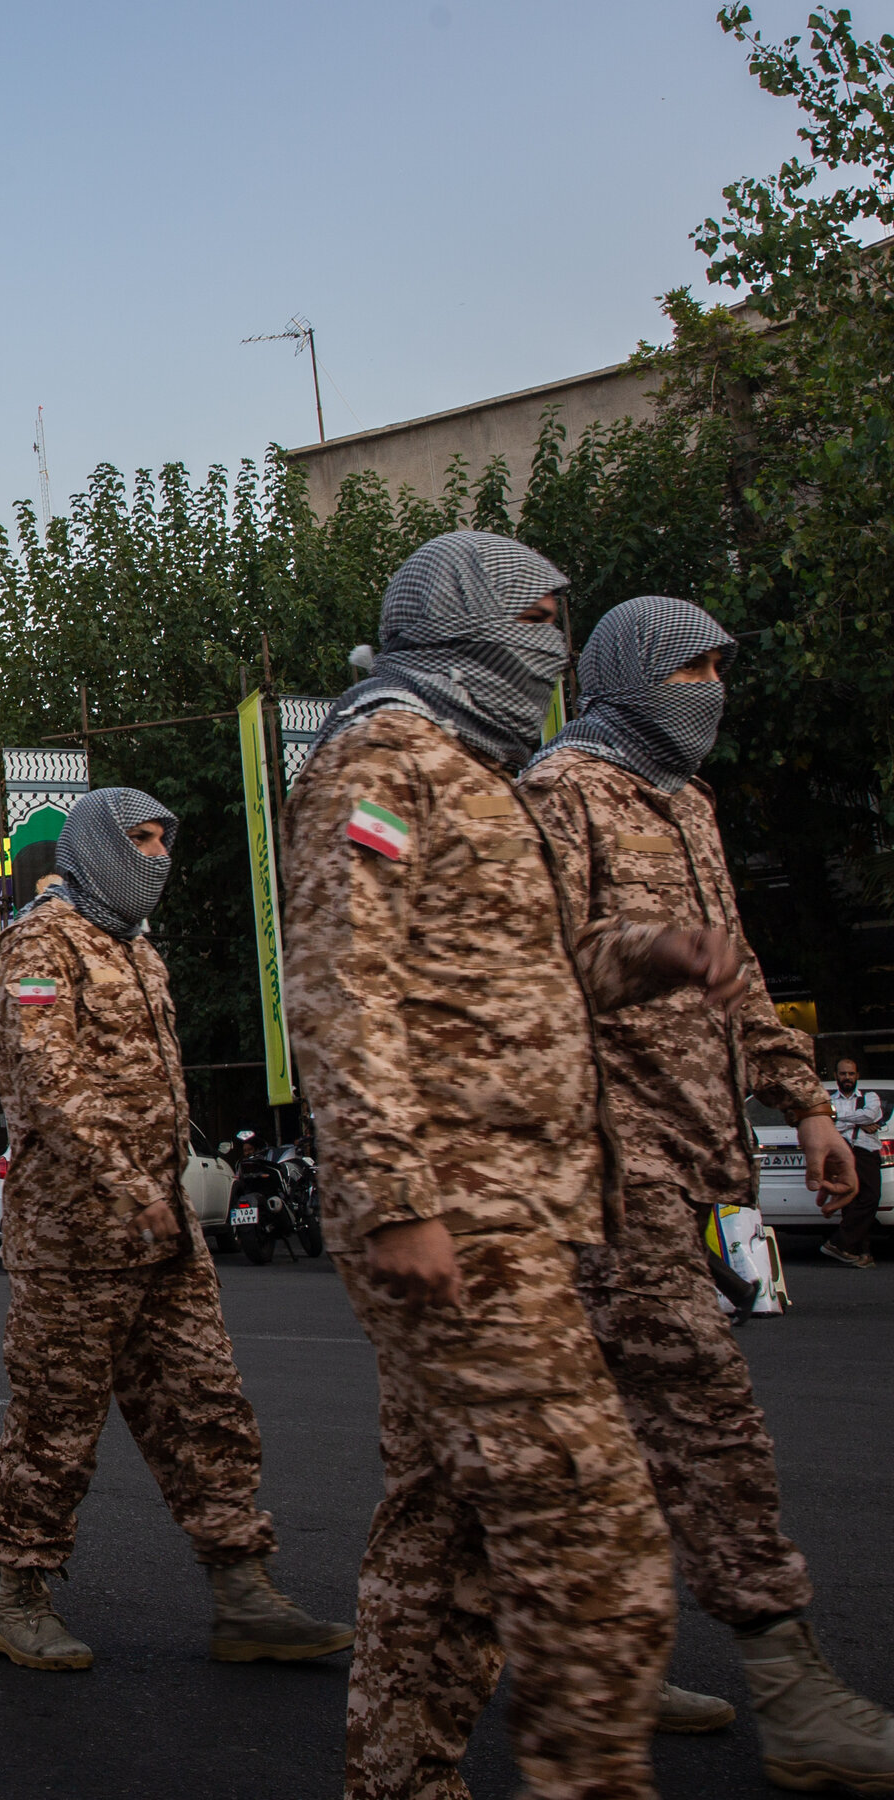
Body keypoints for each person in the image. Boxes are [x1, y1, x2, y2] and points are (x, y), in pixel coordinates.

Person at [280, 533, 704, 1800]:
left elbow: (532, 975)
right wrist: (397, 1200)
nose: (560, 643)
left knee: (446, 1538)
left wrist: (654, 956)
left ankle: (402, 1780)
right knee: (598, 1543)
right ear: (461, 618)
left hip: (521, 1211)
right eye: (537, 611)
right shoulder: (379, 763)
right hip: (460, 1220)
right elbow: (342, 991)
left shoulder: (476, 773)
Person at [522, 595, 894, 1787]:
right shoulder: (559, 795)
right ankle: (791, 1695)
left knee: (597, 1447)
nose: (713, 689)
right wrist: (649, 959)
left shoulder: (685, 804)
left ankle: (591, 1666)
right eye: (691, 666)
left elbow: (737, 972)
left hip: (699, 1167)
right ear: (629, 673)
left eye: (723, 667)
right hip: (606, 1176)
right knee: (706, 1423)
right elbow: (531, 969)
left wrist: (808, 1106)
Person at [0, 788, 353, 1671]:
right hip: (78, 1235)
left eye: (160, 840)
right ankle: (20, 1596)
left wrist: (163, 1193)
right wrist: (123, 1183)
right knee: (56, 1421)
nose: (156, 855)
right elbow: (48, 1081)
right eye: (138, 840)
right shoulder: (38, 943)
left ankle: (243, 1590)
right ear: (95, 849)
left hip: (163, 1225)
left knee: (206, 1404)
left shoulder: (136, 949)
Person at [824, 1057, 884, 1269]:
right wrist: (860, 1122)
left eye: (851, 1074)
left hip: (866, 1152)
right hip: (841, 1153)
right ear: (836, 1076)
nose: (847, 1077)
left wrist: (839, 1118)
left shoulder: (870, 1097)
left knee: (870, 1197)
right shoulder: (828, 1098)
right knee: (850, 1202)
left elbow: (871, 1114)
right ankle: (859, 1253)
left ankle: (839, 1243)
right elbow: (826, 1126)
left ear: (857, 1075)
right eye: (843, 1074)